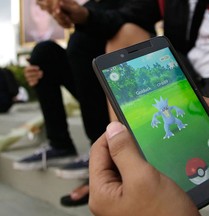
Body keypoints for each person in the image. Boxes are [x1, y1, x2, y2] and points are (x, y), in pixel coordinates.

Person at [15, 0, 154, 207]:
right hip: (97, 87)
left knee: (80, 42)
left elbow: (120, 21)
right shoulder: (93, 4)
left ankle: (99, 152)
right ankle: (60, 144)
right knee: (43, 53)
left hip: (132, 79)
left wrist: (84, 16)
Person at [88, 97, 209, 216]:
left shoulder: (169, 109)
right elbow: (160, 116)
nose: (164, 108)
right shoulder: (160, 113)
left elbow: (174, 109)